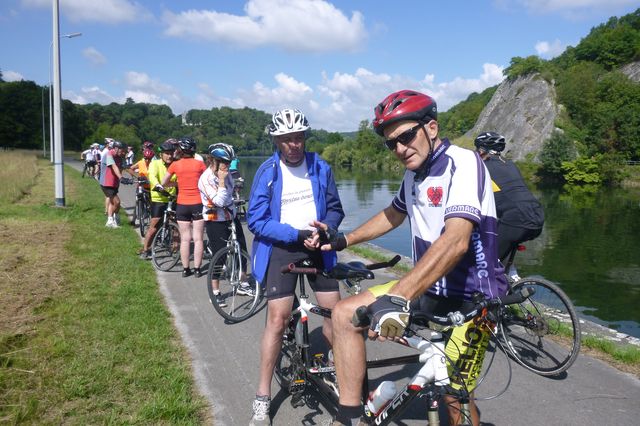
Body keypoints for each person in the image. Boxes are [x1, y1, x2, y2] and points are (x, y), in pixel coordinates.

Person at [314, 90, 507, 426]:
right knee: (345, 313)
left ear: (431, 127)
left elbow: (456, 241)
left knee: (454, 393)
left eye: (406, 137)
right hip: (429, 289)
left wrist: (398, 296)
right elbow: (393, 214)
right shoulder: (413, 173)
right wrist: (345, 238)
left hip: (472, 298)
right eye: (392, 143)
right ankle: (349, 416)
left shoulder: (464, 163)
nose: (400, 149)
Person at [247, 108, 344, 426]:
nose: (293, 145)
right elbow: (256, 220)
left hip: (317, 246)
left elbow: (334, 207)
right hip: (282, 247)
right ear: (276, 140)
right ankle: (262, 395)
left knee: (336, 314)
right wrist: (296, 234)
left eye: (298, 138)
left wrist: (324, 229)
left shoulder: (320, 166)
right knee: (278, 319)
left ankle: (338, 375)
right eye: (286, 140)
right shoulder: (268, 171)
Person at [474, 132, 544, 275]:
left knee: (485, 266)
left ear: (481, 150)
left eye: (477, 149)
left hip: (516, 219)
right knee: (500, 253)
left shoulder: (482, 167)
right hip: (537, 215)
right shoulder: (510, 164)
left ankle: (492, 294)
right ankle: (514, 282)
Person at [198, 143, 251, 307]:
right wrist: (221, 180)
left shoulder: (226, 174)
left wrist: (233, 187)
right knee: (219, 256)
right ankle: (215, 291)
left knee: (242, 250)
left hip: (231, 216)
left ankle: (242, 282)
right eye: (223, 162)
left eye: (229, 162)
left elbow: (229, 193)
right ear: (212, 160)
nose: (226, 165)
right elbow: (219, 200)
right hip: (215, 220)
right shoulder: (205, 179)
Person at [160, 137, 207, 277]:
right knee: (198, 238)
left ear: (180, 150)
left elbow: (163, 182)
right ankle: (198, 269)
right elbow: (207, 181)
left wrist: (177, 184)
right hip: (198, 203)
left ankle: (186, 269)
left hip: (182, 204)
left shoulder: (175, 165)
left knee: (185, 238)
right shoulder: (200, 164)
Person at [139, 141, 177, 259]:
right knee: (154, 224)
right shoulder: (155, 164)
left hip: (172, 198)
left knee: (176, 224)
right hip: (158, 197)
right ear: (161, 155)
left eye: (171, 153)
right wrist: (158, 186)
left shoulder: (176, 164)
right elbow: (152, 176)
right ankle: (146, 249)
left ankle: (176, 248)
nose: (169, 156)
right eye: (166, 153)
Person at [99, 140, 128, 228]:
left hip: (114, 183)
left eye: (124, 151)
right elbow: (114, 166)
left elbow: (126, 167)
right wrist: (121, 177)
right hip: (107, 183)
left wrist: (137, 177)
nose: (124, 152)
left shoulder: (120, 157)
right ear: (116, 148)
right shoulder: (109, 154)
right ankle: (110, 220)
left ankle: (113, 220)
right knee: (117, 202)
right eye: (122, 150)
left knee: (114, 203)